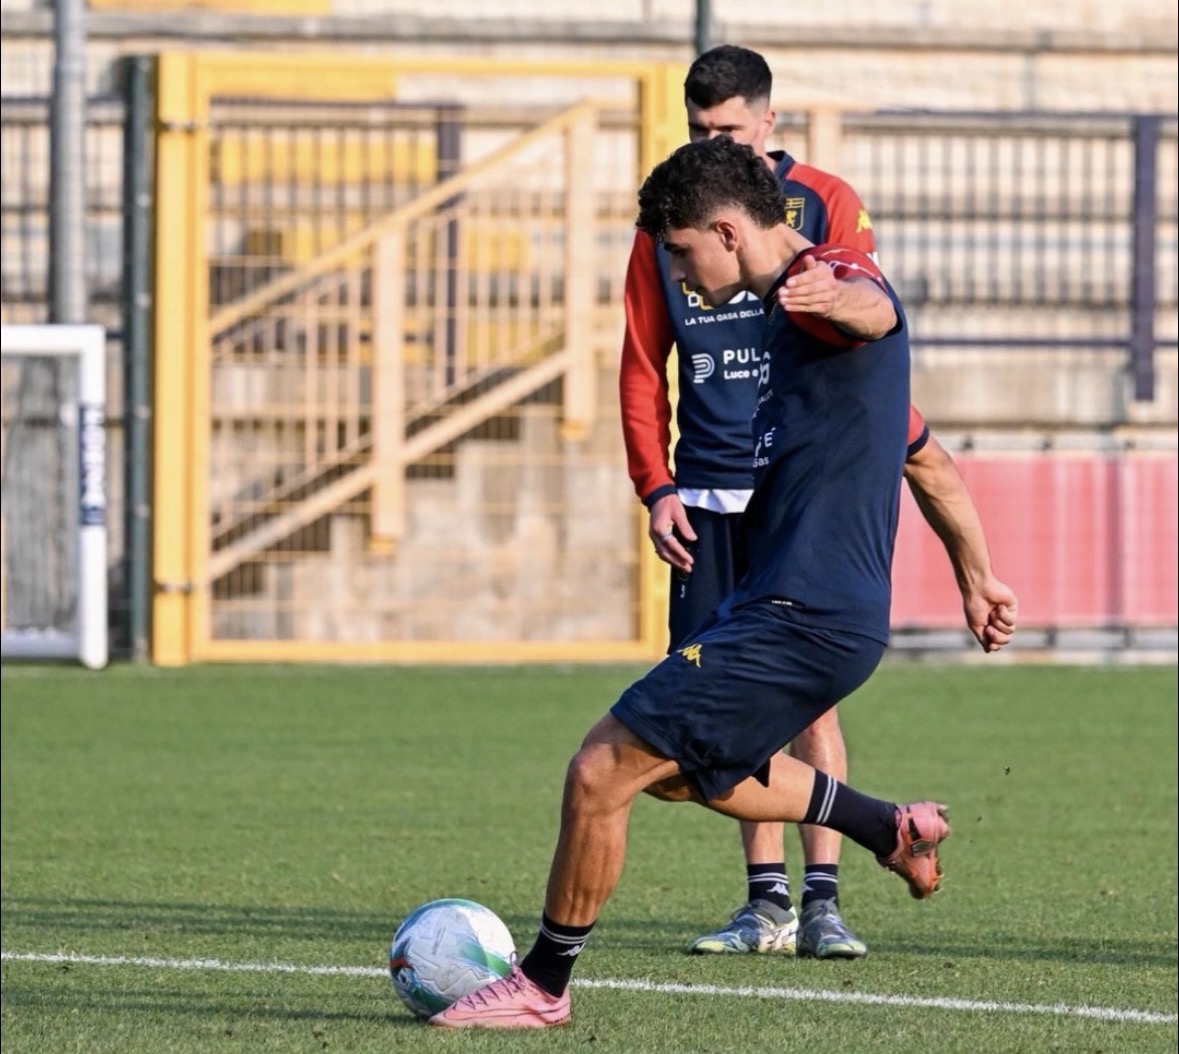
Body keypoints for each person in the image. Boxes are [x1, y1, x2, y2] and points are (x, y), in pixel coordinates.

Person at [431, 135, 1010, 1030]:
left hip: (802, 613)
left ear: (728, 231)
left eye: (678, 249)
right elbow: (922, 456)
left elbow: (870, 307)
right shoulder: (792, 337)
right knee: (684, 773)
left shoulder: (821, 283)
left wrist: (835, 297)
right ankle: (885, 828)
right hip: (791, 606)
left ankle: (542, 985)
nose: (675, 269)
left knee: (598, 771)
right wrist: (978, 577)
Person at [621, 44, 1016, 960]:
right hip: (713, 489)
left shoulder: (818, 227)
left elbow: (868, 308)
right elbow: (640, 363)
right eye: (700, 130)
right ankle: (772, 899)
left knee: (683, 743)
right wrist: (656, 484)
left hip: (798, 506)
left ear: (767, 121)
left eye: (728, 128)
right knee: (696, 747)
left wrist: (836, 298)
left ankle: (825, 896)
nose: (717, 141)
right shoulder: (670, 229)